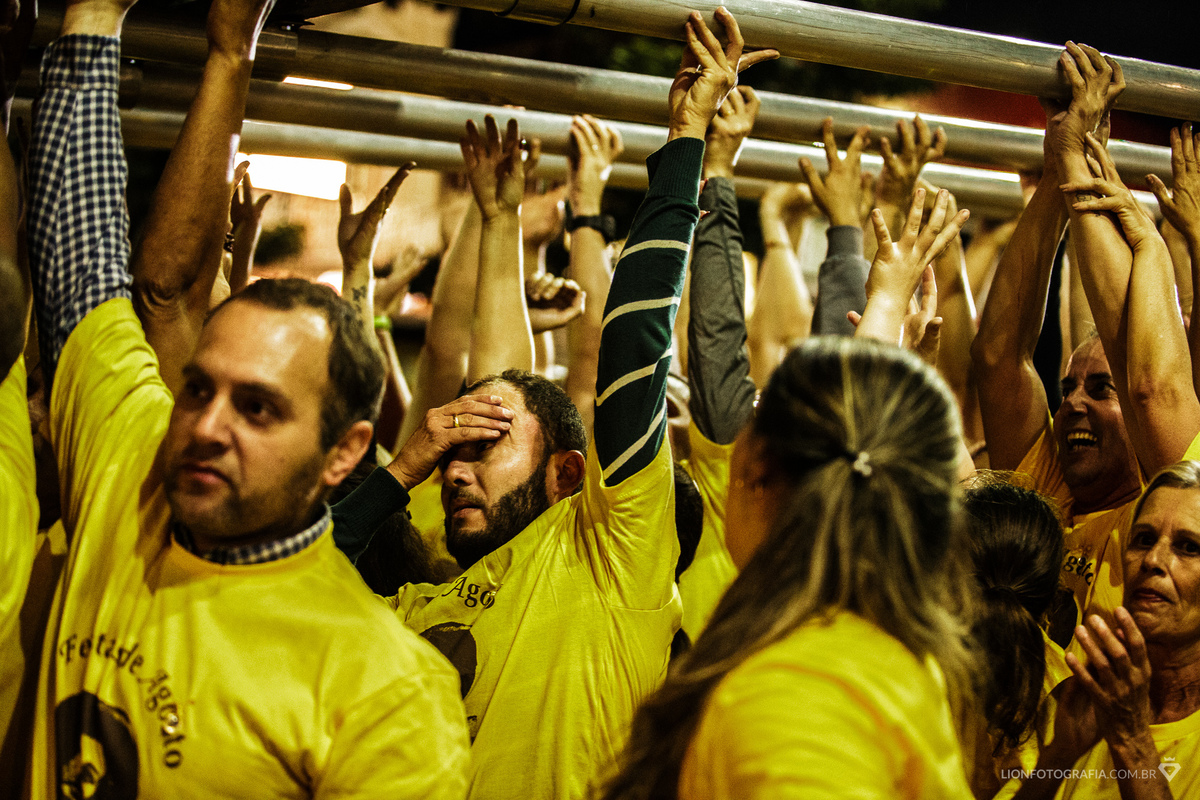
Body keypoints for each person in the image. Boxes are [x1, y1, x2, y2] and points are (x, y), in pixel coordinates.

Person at [21, 0, 471, 795]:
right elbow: (88, 264)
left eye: (258, 408)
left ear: (344, 453)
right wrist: (94, 19)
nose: (204, 426)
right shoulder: (136, 461)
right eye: (197, 387)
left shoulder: (385, 692)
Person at [330, 9, 776, 798]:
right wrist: (403, 468)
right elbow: (297, 579)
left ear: (570, 475)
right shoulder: (415, 598)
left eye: (486, 443)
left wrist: (689, 137)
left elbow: (633, 346)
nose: (457, 468)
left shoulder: (603, 559)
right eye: (454, 447)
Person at [602, 184, 973, 799]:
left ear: (753, 463)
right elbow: (859, 444)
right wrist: (882, 307)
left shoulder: (799, 697)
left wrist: (884, 305)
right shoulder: (889, 657)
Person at [972, 43, 1200, 646]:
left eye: (1102, 389)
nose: (1072, 402)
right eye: (1069, 385)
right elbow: (998, 356)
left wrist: (1079, 164)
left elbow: (1150, 384)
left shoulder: (1165, 508)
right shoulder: (1049, 490)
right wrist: (1056, 169)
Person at [1009, 461, 1200, 800]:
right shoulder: (1075, 705)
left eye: (1188, 547)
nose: (1153, 560)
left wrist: (1131, 739)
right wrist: (1060, 756)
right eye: (1143, 539)